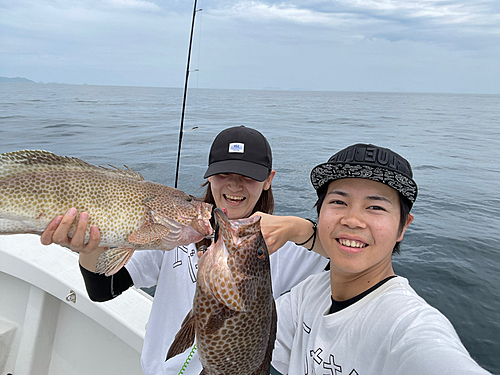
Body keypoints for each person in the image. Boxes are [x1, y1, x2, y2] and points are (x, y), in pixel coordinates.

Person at [41, 126, 329, 375]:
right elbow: (103, 288)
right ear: (209, 177)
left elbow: (363, 263)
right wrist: (92, 247)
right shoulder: (173, 229)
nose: (234, 185)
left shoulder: (290, 246)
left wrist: (300, 228)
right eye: (223, 174)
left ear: (269, 179)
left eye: (248, 176)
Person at [272, 143, 491, 374]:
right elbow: (240, 335)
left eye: (375, 207)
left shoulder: (408, 326)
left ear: (402, 227)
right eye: (338, 202)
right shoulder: (307, 294)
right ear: (319, 212)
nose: (353, 220)